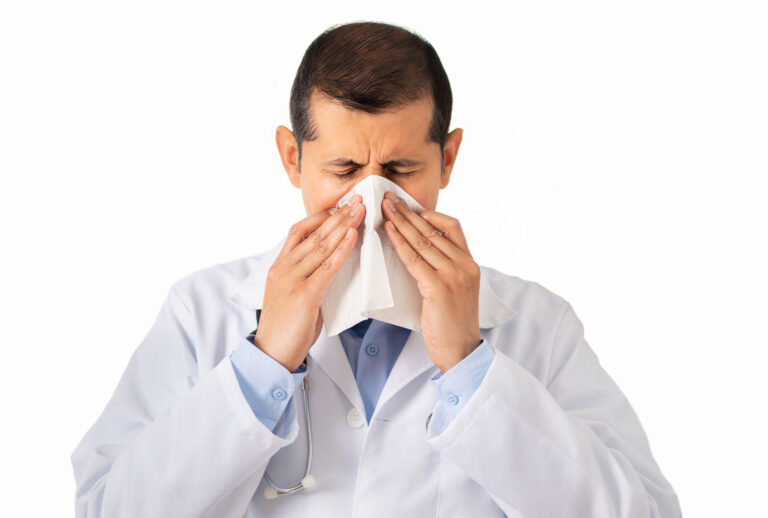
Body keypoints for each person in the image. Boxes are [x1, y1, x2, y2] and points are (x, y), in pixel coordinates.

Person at [71, 20, 681, 517]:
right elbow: (108, 510)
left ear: (447, 159)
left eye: (400, 170)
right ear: (292, 157)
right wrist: (264, 360)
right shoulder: (201, 313)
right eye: (343, 170)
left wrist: (470, 367)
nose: (369, 202)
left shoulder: (539, 325)